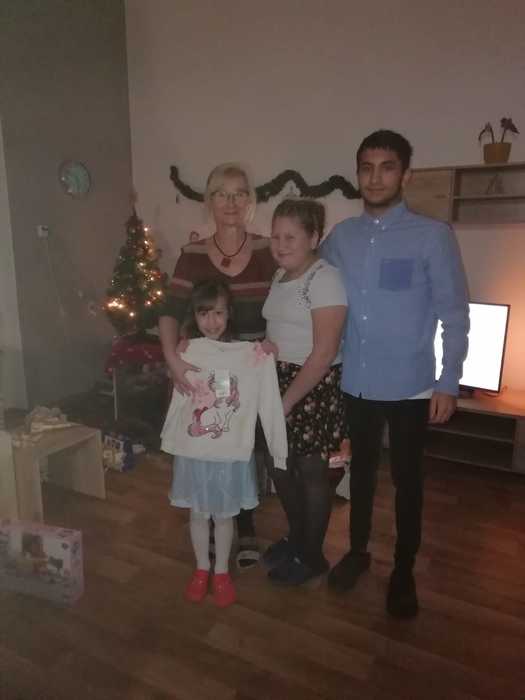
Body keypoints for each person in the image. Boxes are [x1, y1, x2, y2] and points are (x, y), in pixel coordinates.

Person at [321, 130, 469, 618]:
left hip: (412, 385)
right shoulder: (341, 238)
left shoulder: (432, 236)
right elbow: (312, 286)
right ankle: (358, 551)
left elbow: (454, 313)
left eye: (387, 167)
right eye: (366, 167)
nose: (375, 177)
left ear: (405, 175)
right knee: (360, 474)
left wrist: (448, 381)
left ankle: (403, 569)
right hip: (356, 382)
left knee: (408, 481)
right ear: (357, 173)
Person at [159, 162, 277, 569]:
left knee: (244, 448)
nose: (231, 202)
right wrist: (173, 359)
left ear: (250, 200)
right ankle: (207, 520)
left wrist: (274, 343)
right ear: (209, 201)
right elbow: (169, 311)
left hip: (250, 369)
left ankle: (243, 524)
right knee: (210, 442)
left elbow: (286, 303)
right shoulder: (192, 256)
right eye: (221, 194)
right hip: (205, 370)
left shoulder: (267, 251)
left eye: (239, 193)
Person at [162, 279, 287, 607]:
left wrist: (267, 354)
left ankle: (220, 572)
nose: (212, 321)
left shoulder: (249, 355)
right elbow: (178, 400)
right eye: (204, 313)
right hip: (194, 451)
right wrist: (170, 436)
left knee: (224, 515)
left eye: (218, 313)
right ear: (194, 315)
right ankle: (201, 568)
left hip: (229, 452)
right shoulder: (187, 351)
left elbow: (268, 401)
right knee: (198, 513)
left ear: (229, 313)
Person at [262, 198, 348, 585]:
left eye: (290, 237)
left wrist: (286, 401)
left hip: (313, 386)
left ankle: (312, 556)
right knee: (279, 467)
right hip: (277, 380)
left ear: (313, 238)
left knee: (312, 473)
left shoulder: (325, 278)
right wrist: (267, 350)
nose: (280, 245)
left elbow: (324, 352)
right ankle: (297, 537)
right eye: (275, 236)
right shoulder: (280, 276)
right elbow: (280, 329)